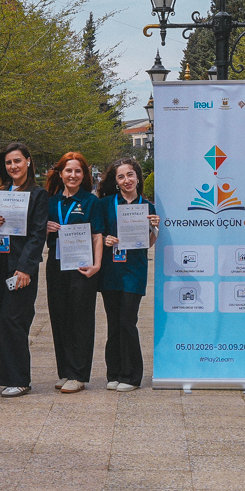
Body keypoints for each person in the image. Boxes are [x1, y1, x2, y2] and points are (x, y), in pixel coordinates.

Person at [0, 142, 49, 396]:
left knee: (16, 320)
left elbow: (37, 235)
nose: (13, 166)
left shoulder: (38, 194)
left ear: (28, 161)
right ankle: (8, 377)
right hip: (0, 264)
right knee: (3, 320)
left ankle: (20, 379)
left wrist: (25, 269)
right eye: (9, 163)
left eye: (17, 161)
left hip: (22, 268)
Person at [43, 150, 102, 392]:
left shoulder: (91, 201)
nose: (73, 175)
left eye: (78, 171)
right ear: (60, 173)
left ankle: (78, 374)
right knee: (59, 317)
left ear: (84, 175)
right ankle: (65, 371)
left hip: (82, 266)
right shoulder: (51, 201)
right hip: (56, 266)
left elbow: (97, 235)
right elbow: (38, 233)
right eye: (68, 170)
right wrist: (45, 227)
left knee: (80, 318)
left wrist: (96, 265)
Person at [97, 158, 159, 390]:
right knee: (113, 323)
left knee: (127, 321)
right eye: (121, 177)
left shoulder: (147, 207)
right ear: (116, 182)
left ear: (137, 177)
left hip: (134, 270)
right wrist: (105, 239)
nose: (127, 180)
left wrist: (154, 228)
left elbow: (149, 243)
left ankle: (132, 377)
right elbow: (97, 236)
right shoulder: (104, 205)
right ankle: (114, 373)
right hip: (110, 270)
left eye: (130, 175)